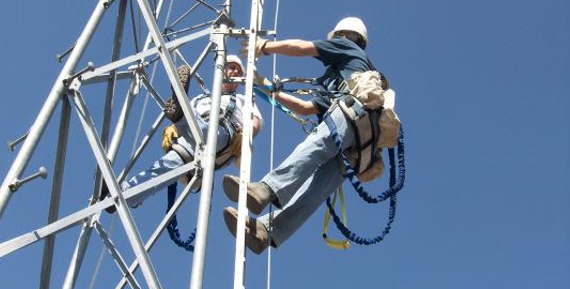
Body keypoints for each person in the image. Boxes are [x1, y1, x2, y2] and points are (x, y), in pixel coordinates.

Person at [222, 17, 383, 254]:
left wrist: (265, 47)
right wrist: (267, 87)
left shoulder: (347, 47)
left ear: (344, 35)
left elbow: (305, 47)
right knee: (314, 191)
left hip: (351, 117)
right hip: (360, 148)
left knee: (314, 147)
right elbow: (306, 108)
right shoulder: (348, 75)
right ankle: (267, 230)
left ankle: (264, 190)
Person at [116, 55, 263, 210]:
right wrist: (173, 129)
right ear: (222, 69)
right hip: (188, 141)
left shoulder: (242, 99)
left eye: (238, 71)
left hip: (220, 138)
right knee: (160, 170)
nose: (234, 72)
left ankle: (181, 110)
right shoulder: (202, 98)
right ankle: (126, 194)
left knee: (208, 128)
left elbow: (256, 122)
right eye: (231, 67)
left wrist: (246, 134)